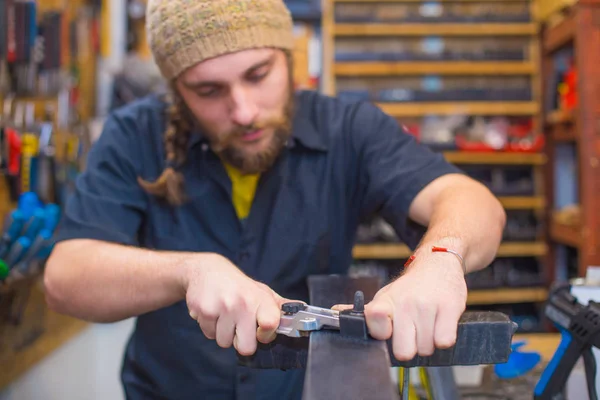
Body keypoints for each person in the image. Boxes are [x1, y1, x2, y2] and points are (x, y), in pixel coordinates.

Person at [43, 0, 506, 399]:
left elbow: (471, 201)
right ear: (177, 91)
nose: (243, 111)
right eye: (209, 91)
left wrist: (441, 258)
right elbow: (66, 278)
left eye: (258, 74)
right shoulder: (133, 134)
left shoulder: (348, 129)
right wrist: (190, 271)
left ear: (290, 58)